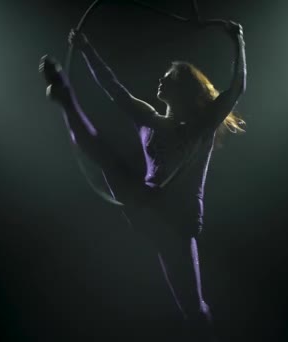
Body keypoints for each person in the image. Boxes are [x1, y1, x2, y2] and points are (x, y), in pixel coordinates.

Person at [39, 19, 246, 341]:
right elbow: (112, 87)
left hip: (178, 220)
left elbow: (237, 88)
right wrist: (86, 49)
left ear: (183, 87)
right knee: (101, 155)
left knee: (193, 308)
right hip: (146, 203)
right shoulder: (148, 118)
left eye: (169, 77)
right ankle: (66, 98)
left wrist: (238, 41)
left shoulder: (202, 127)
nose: (161, 80)